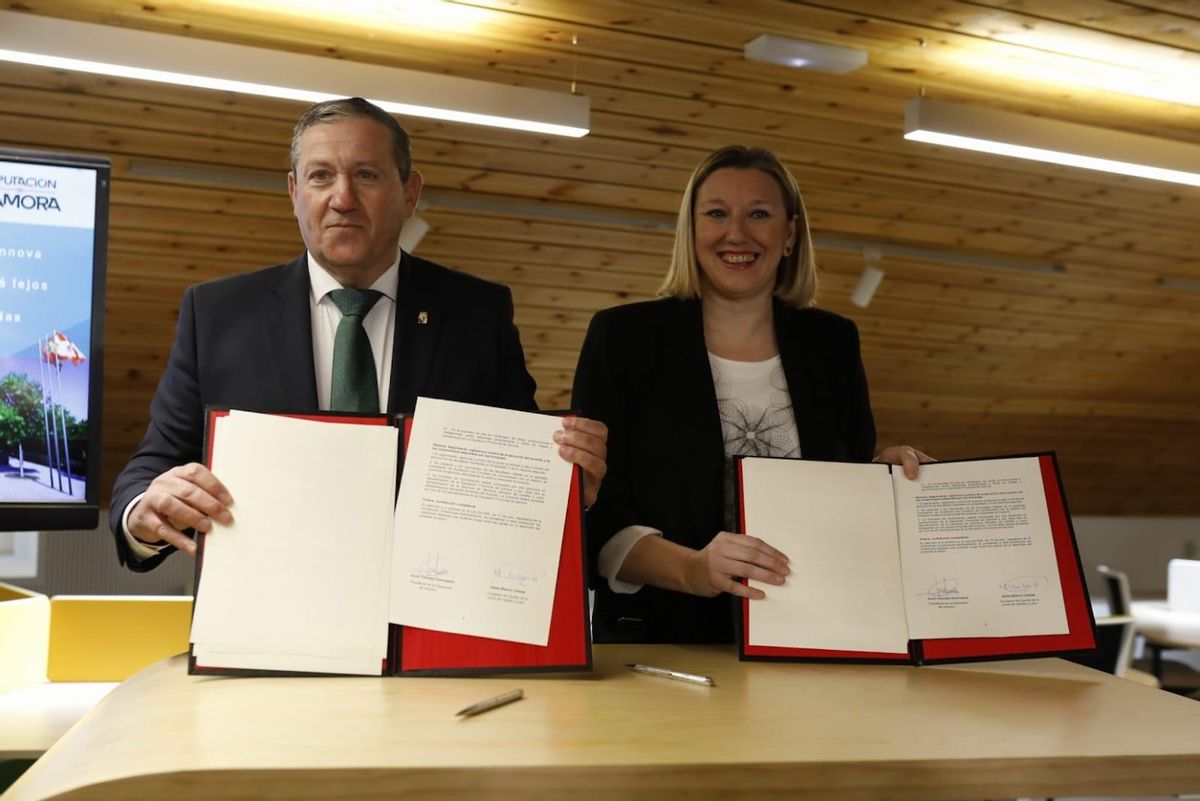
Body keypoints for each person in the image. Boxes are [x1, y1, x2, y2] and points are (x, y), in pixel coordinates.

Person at [111, 97, 607, 572]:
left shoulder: (477, 313)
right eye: (320, 176)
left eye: (366, 175)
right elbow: (152, 465)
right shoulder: (217, 313)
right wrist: (144, 512)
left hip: (430, 631)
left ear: (410, 193)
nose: (342, 198)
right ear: (294, 192)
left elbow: (517, 469)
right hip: (269, 626)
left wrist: (564, 484)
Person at [572, 145, 930, 643]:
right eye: (716, 213)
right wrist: (695, 569)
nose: (736, 233)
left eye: (759, 214)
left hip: (818, 636)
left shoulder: (833, 343)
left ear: (789, 235)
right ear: (691, 230)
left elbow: (840, 491)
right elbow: (597, 510)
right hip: (662, 641)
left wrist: (885, 477)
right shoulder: (624, 338)